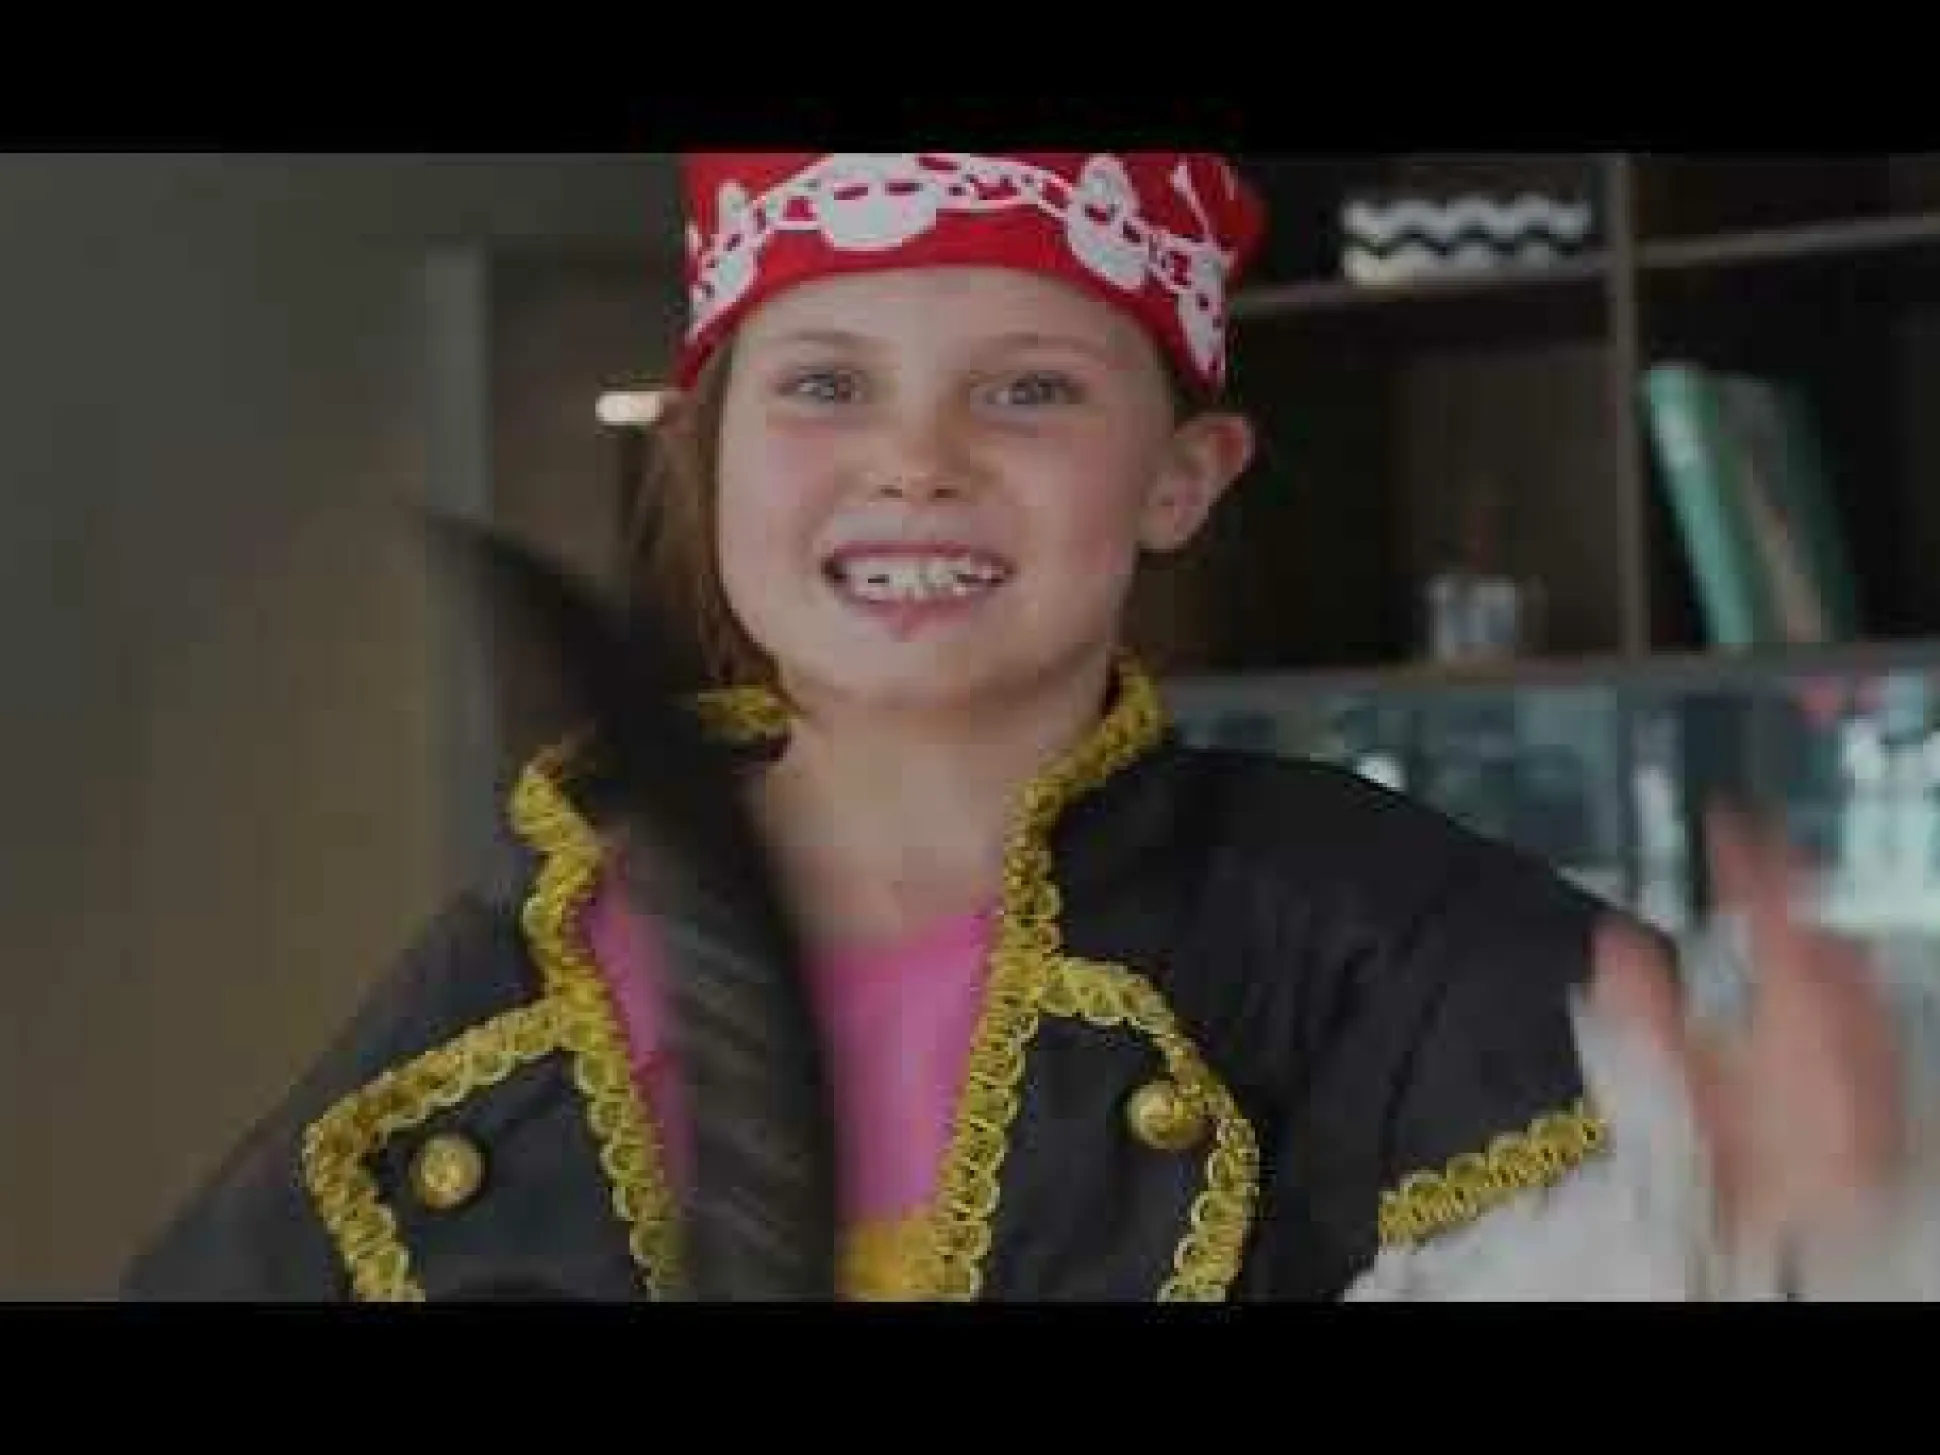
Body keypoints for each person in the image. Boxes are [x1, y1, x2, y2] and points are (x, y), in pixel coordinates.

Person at [121, 151, 1940, 1301]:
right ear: (705, 449)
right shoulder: (500, 993)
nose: (916, 459)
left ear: (1183, 475)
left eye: (1030, 391)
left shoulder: (1381, 940)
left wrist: (1801, 1236)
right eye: (826, 384)